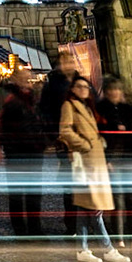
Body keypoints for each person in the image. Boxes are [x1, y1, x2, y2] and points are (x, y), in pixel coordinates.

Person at [58, 77, 127, 262]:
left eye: (86, 86)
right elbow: (65, 131)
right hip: (87, 161)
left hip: (94, 162)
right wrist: (86, 144)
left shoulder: (86, 107)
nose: (83, 89)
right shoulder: (69, 106)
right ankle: (108, 249)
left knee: (84, 208)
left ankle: (83, 249)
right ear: (72, 89)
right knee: (95, 209)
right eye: (79, 86)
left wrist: (98, 142)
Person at [0, 69, 42, 236]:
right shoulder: (9, 98)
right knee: (17, 193)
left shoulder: (33, 98)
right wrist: (1, 144)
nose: (28, 82)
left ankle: (35, 227)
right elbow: (0, 123)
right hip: (17, 151)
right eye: (25, 79)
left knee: (33, 192)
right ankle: (20, 228)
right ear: (16, 80)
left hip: (34, 150)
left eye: (29, 79)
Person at [98, 75, 132, 249]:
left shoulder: (127, 109)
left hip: (129, 158)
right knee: (117, 200)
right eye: (111, 89)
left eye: (117, 89)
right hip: (112, 160)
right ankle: (119, 238)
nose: (114, 92)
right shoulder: (100, 110)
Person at [39, 51, 80, 235]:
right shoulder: (53, 85)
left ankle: (90, 222)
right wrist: (54, 136)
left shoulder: (82, 82)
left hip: (85, 139)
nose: (69, 64)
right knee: (70, 184)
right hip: (64, 139)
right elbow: (45, 112)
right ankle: (72, 224)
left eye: (71, 60)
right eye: (65, 61)